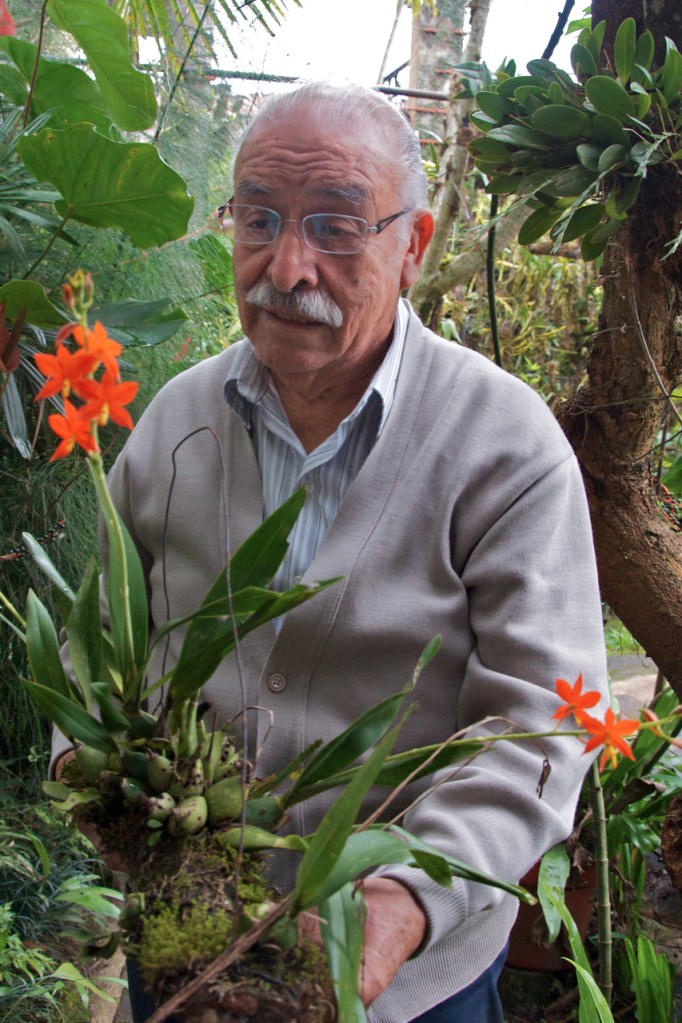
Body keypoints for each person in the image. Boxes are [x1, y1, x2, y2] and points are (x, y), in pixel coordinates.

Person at [54, 81, 609, 1022]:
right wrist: (91, 763)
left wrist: (405, 897)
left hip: (408, 974)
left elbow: (545, 723)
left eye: (337, 227)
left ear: (414, 246)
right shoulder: (178, 425)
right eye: (258, 219)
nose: (287, 266)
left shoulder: (505, 447)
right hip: (186, 931)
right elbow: (97, 638)